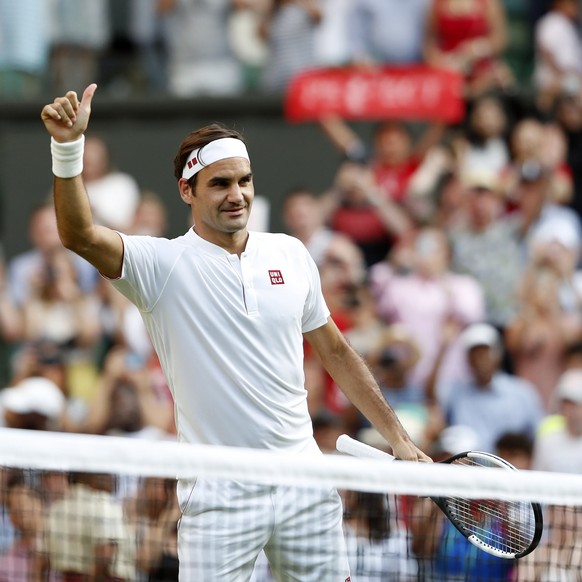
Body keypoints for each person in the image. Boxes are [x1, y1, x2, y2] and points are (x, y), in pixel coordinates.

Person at [41, 83, 430, 581]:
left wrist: (397, 437)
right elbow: (78, 235)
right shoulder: (160, 265)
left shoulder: (290, 253)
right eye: (220, 184)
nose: (237, 195)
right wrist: (67, 147)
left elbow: (334, 349)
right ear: (187, 191)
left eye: (244, 181)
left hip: (304, 483)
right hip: (219, 494)